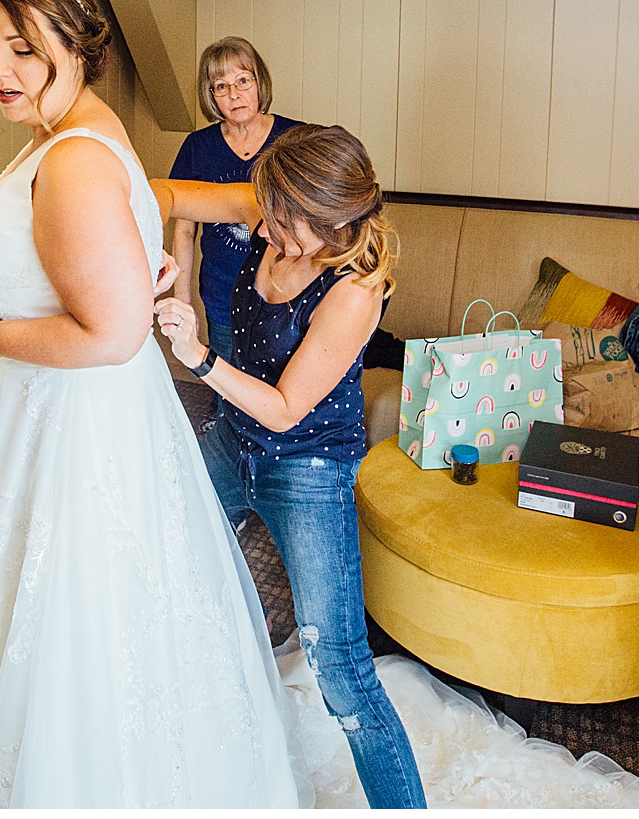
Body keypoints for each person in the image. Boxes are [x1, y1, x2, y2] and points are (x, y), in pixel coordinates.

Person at [0, 0, 302, 808]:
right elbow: (134, 220)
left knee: (64, 625)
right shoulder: (81, 133)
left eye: (23, 48)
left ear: (77, 47)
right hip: (56, 417)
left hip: (63, 422)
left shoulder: (73, 155)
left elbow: (116, 334)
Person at [152, 125, 425, 808]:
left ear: (328, 222)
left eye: (280, 219)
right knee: (164, 557)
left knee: (340, 667)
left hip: (306, 466)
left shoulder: (357, 288)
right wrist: (143, 240)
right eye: (265, 209)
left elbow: (283, 408)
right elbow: (169, 193)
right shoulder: (268, 207)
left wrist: (200, 358)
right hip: (231, 439)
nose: (263, 226)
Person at [168, 37, 299, 382]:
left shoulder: (294, 140)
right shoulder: (197, 147)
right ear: (211, 96)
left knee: (280, 383)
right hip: (221, 291)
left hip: (283, 293)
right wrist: (182, 298)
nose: (234, 94)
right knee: (225, 379)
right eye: (221, 86)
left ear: (260, 83)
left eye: (244, 81)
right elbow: (183, 229)